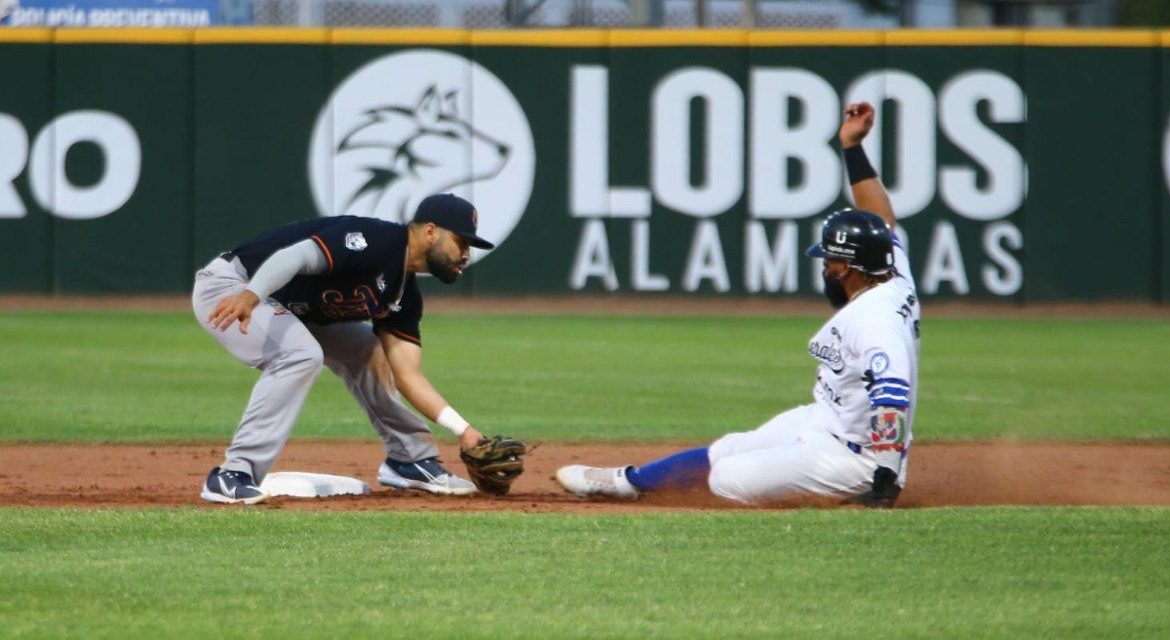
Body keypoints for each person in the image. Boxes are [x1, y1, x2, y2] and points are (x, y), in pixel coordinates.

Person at [555, 103, 921, 507]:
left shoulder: (875, 320)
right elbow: (881, 217)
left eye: (830, 260)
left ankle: (825, 499)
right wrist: (851, 147)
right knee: (730, 448)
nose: (824, 267)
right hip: (827, 421)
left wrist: (885, 480)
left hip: (855, 458)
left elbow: (892, 394)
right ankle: (628, 481)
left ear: (849, 267)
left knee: (728, 477)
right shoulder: (890, 271)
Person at [194, 193, 492, 504]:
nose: (466, 254)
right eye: (461, 242)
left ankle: (409, 460)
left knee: (370, 352)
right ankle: (233, 474)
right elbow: (293, 258)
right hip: (236, 287)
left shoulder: (405, 296)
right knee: (300, 355)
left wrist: (466, 432)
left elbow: (409, 377)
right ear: (430, 231)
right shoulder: (374, 240)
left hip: (294, 309)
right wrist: (251, 295)